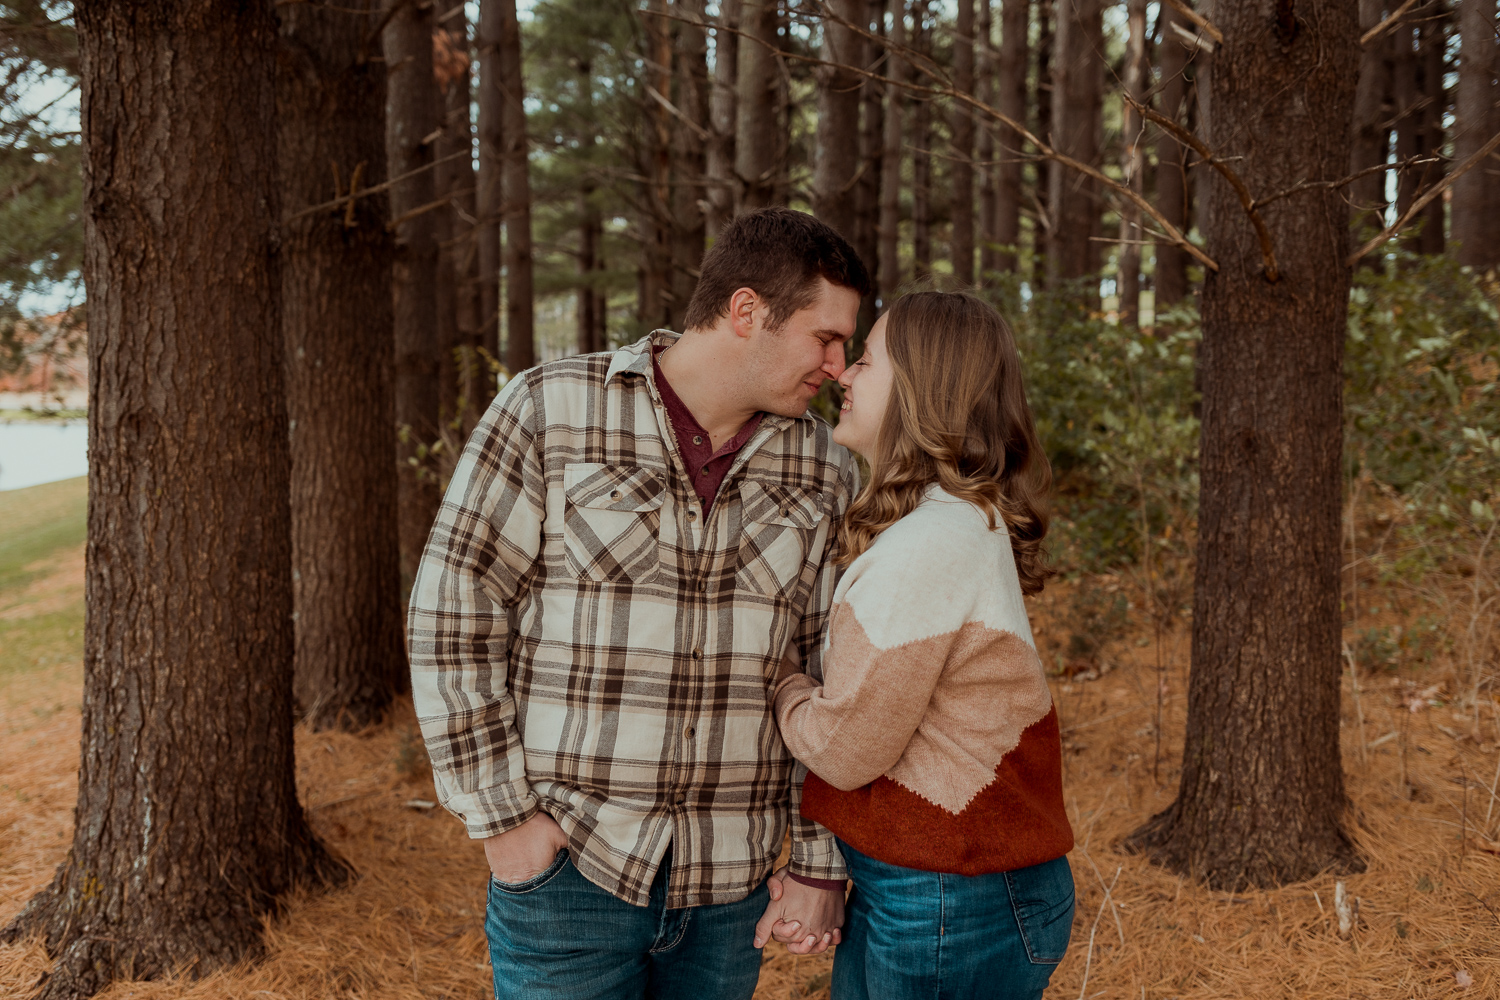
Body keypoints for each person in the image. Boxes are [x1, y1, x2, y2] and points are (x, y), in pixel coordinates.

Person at [407, 207, 870, 1000]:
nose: (839, 363)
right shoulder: (549, 409)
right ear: (747, 311)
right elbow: (453, 615)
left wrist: (818, 859)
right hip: (570, 875)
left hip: (730, 890)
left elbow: (835, 680)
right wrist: (505, 824)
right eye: (825, 337)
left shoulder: (824, 468)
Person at [771, 291, 1076, 1000]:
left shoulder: (929, 544)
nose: (843, 375)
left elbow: (847, 750)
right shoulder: (951, 522)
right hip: (944, 880)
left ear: (921, 390)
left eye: (867, 360)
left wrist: (784, 684)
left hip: (952, 892)